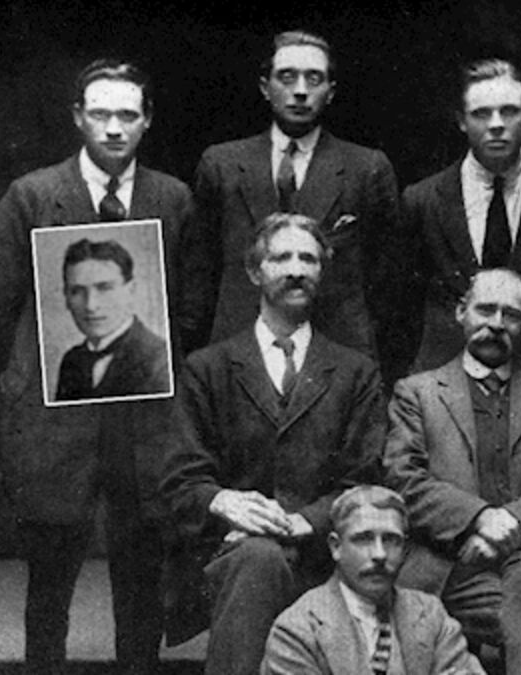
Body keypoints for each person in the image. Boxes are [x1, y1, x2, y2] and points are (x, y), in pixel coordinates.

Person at [0, 59, 190, 675]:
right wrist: (28, 376)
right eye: (100, 113)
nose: (114, 127)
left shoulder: (172, 199)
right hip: (56, 413)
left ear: (147, 120)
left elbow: (188, 303)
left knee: (140, 567)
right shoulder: (33, 195)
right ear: (77, 117)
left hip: (143, 415)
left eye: (127, 114)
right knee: (50, 571)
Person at [162, 213, 385, 674]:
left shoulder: (355, 372)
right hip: (225, 555)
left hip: (322, 554)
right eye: (282, 258)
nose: (296, 270)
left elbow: (364, 479)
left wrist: (305, 521)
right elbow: (180, 479)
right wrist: (223, 501)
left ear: (322, 271)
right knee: (258, 558)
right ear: (254, 272)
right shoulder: (209, 368)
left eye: (309, 259)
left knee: (266, 556)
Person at [383, 268, 521, 674]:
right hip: (446, 562)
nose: (496, 324)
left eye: (511, 315)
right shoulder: (418, 392)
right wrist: (478, 519)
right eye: (486, 310)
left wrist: (513, 522)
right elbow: (403, 475)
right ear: (461, 312)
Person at [178, 30, 400, 372]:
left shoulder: (366, 168)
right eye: (287, 77)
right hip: (238, 349)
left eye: (314, 79)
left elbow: (386, 280)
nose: (300, 90)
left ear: (331, 92)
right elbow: (200, 276)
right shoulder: (221, 165)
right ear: (265, 87)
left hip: (337, 349)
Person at [400, 58, 521, 380]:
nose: (497, 124)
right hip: (444, 380)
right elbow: (401, 307)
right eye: (481, 113)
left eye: (509, 111)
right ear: (461, 121)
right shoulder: (422, 200)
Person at [262, 485, 485, 675]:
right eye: (364, 539)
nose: (379, 554)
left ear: (405, 548)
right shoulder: (297, 630)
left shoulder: (431, 616)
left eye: (391, 540)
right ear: (336, 547)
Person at [55, 238, 170, 401]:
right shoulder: (71, 361)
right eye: (77, 291)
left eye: (104, 288)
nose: (90, 305)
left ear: (131, 291)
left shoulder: (160, 361)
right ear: (66, 298)